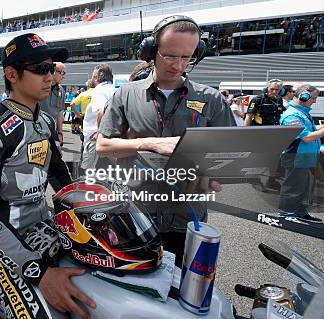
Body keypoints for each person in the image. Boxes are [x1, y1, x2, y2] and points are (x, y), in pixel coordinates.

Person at [0, 33, 96, 319]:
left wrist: (95, 204)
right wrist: (39, 273)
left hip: (43, 229)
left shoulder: (44, 121)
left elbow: (63, 178)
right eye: (40, 69)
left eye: (51, 68)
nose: (49, 76)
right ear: (12, 74)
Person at [96, 15, 234, 264]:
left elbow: (228, 153)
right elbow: (103, 145)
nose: (178, 64)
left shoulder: (212, 100)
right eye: (170, 55)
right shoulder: (125, 95)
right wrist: (146, 143)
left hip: (188, 218)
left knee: (186, 291)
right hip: (137, 214)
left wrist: (212, 173)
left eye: (186, 57)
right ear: (151, 50)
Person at [278, 84, 324, 223]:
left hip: (305, 157)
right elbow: (306, 137)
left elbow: (309, 129)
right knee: (293, 186)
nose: (315, 101)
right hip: (295, 156)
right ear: (304, 96)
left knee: (304, 186)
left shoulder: (301, 112)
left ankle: (299, 211)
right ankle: (286, 213)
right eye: (314, 98)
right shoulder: (292, 114)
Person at [81, 64, 116, 170]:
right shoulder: (114, 90)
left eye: (92, 75)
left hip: (95, 137)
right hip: (109, 135)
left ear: (96, 77)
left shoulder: (99, 91)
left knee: (87, 169)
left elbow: (100, 111)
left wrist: (100, 133)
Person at [39, 61, 66, 145]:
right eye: (62, 73)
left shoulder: (61, 90)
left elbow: (59, 112)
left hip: (53, 132)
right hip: (38, 131)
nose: (63, 76)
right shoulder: (39, 87)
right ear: (53, 71)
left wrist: (60, 132)